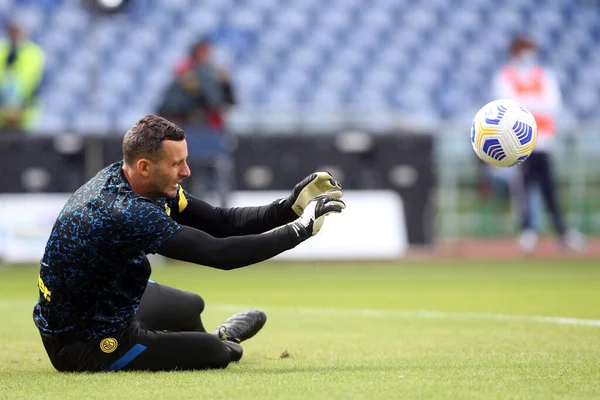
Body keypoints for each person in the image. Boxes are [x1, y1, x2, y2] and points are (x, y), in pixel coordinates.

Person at [33, 114, 345, 372]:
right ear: (144, 166)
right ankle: (218, 342)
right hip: (84, 341)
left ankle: (192, 346)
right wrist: (299, 231)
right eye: (176, 164)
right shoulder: (125, 210)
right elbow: (219, 254)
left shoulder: (134, 180)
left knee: (189, 305)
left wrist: (289, 207)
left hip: (104, 301)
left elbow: (220, 221)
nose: (186, 171)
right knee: (218, 353)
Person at [492, 35, 584, 253]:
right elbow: (505, 105)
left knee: (548, 188)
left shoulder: (544, 76)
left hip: (543, 142)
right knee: (523, 189)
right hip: (517, 143)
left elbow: (552, 105)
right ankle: (528, 231)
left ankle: (560, 231)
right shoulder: (505, 76)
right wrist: (533, 106)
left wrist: (525, 106)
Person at [0, 21, 45, 131]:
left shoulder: (34, 53)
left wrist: (22, 105)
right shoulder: (2, 49)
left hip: (24, 110)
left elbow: (35, 82)